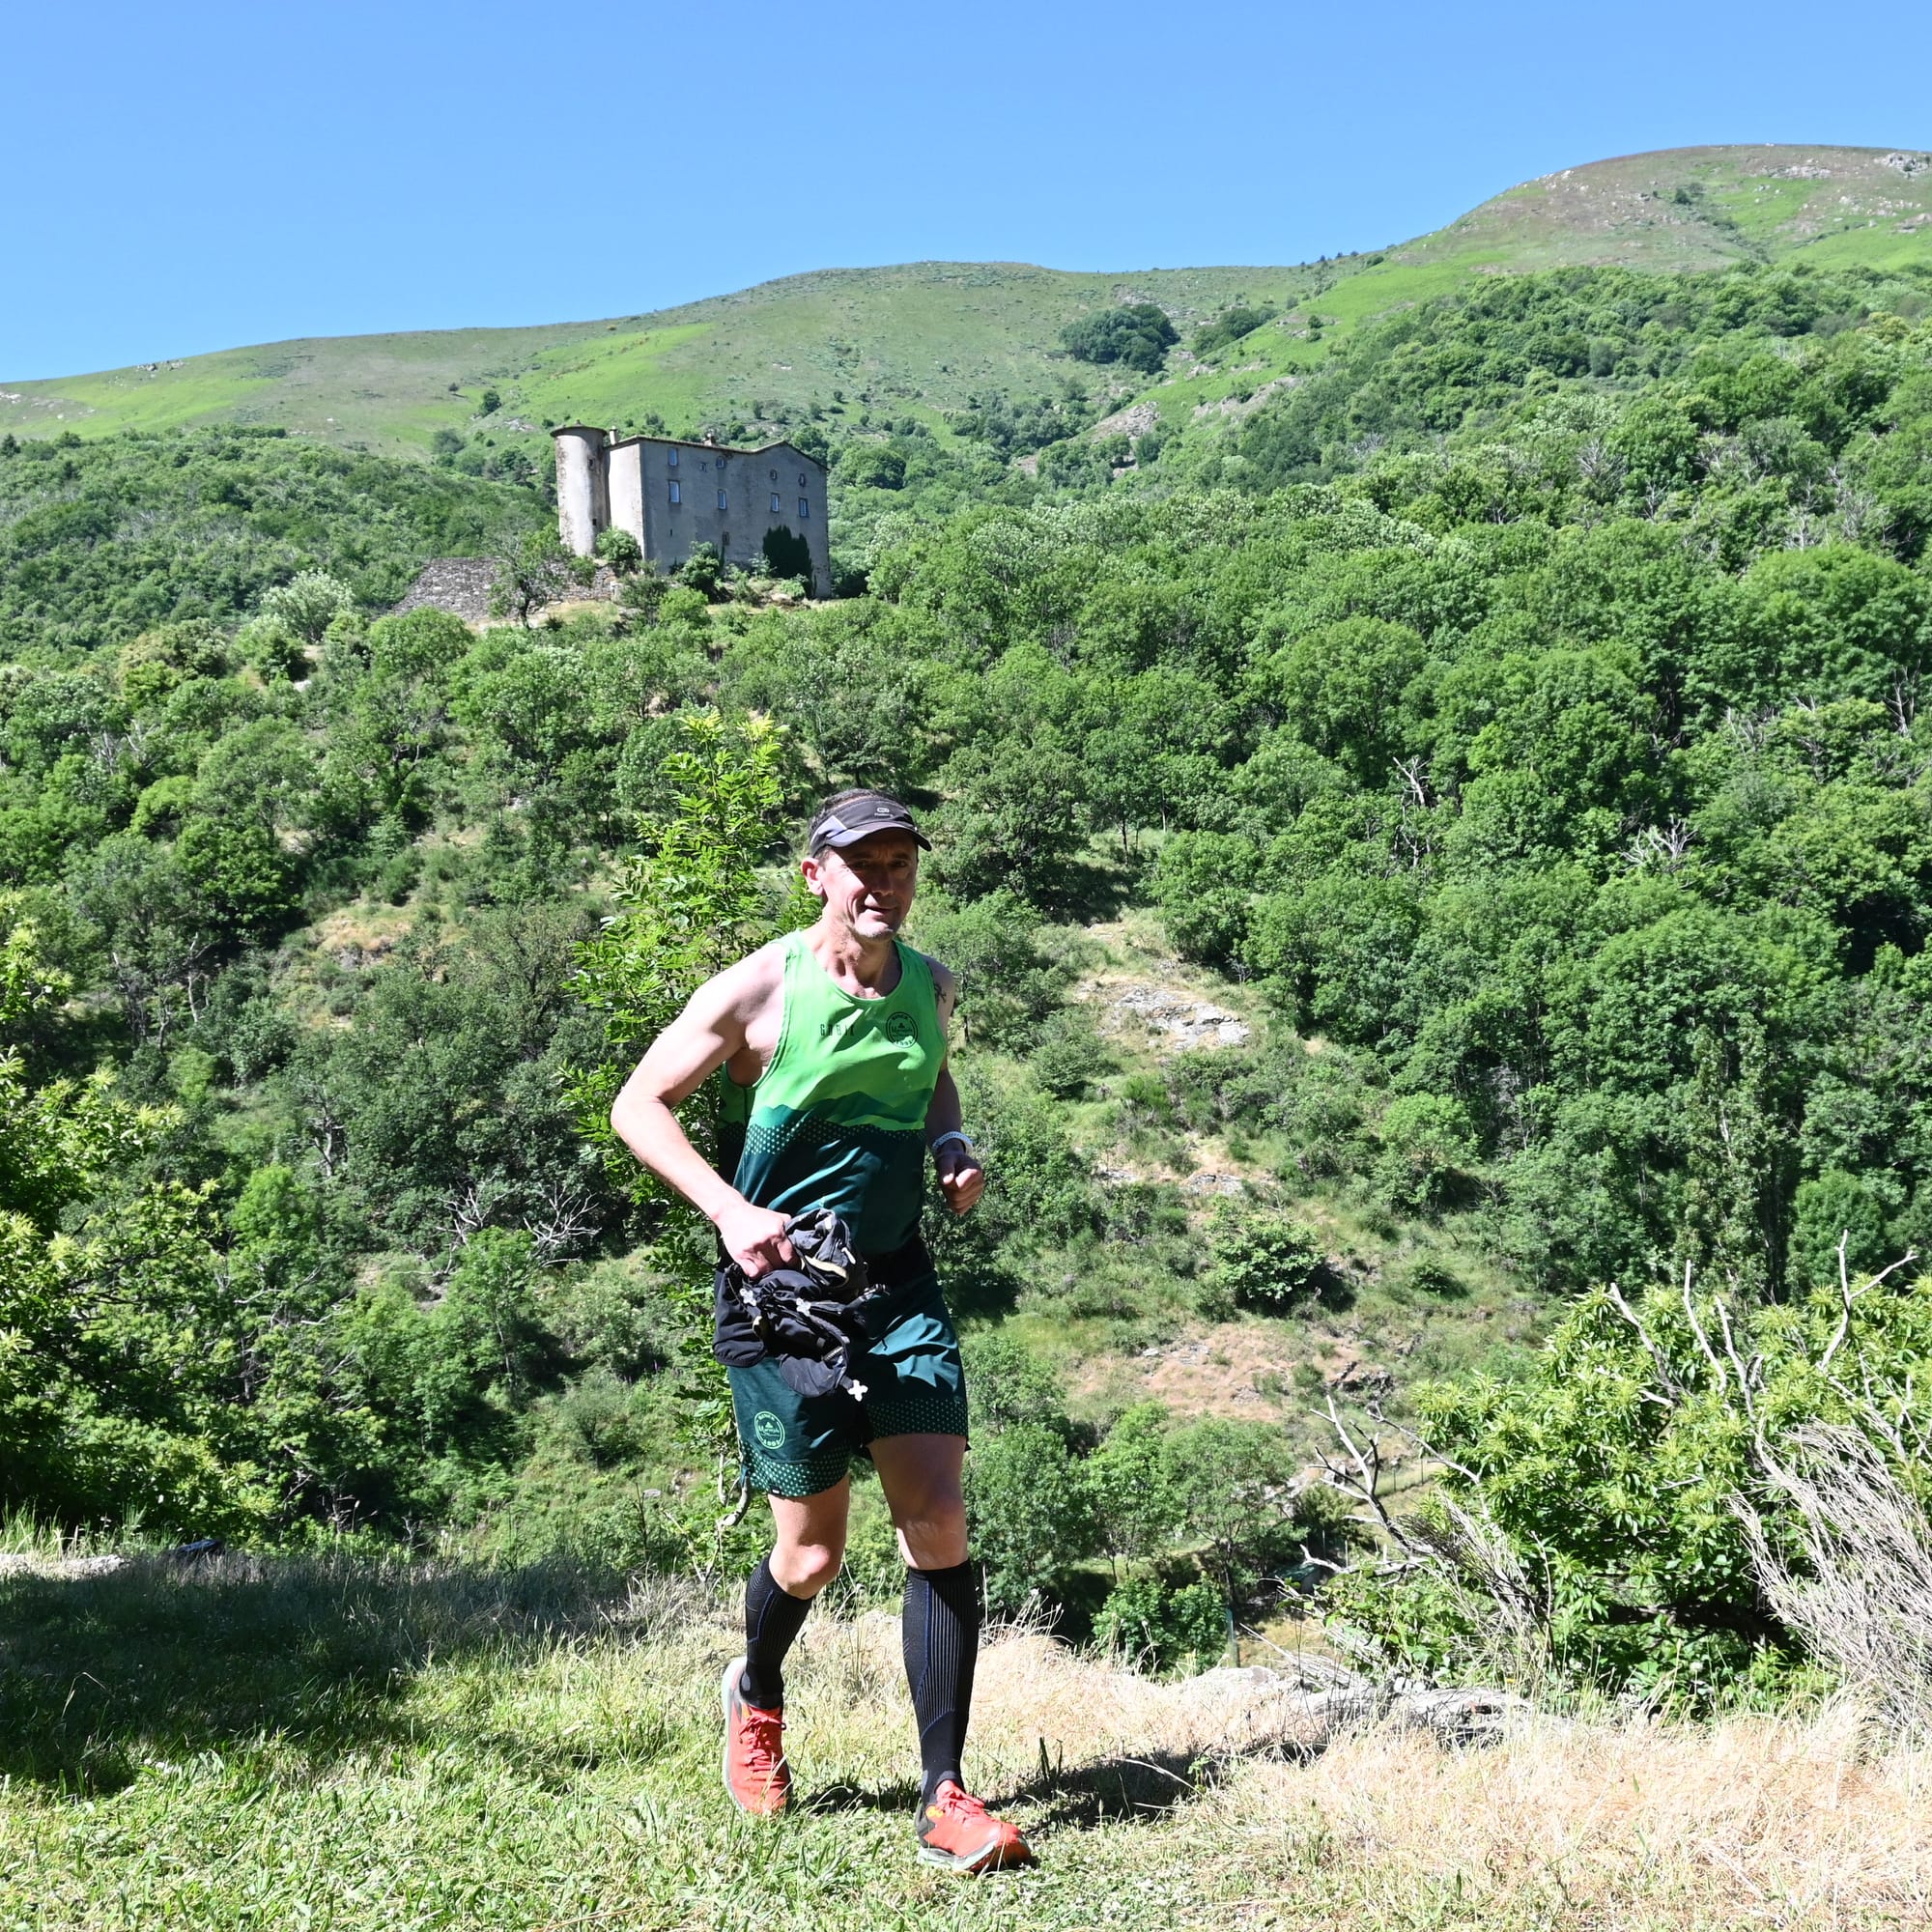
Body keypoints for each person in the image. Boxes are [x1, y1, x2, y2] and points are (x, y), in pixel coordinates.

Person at [610, 787, 1034, 1875]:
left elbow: (932, 1076)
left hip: (895, 1283)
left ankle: (944, 1792)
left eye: (899, 863)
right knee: (810, 1554)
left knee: (936, 1522)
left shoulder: (931, 984)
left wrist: (950, 1144)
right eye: (862, 863)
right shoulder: (763, 987)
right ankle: (753, 1694)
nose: (882, 880)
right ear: (816, 876)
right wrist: (730, 1210)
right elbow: (637, 1104)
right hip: (782, 1298)